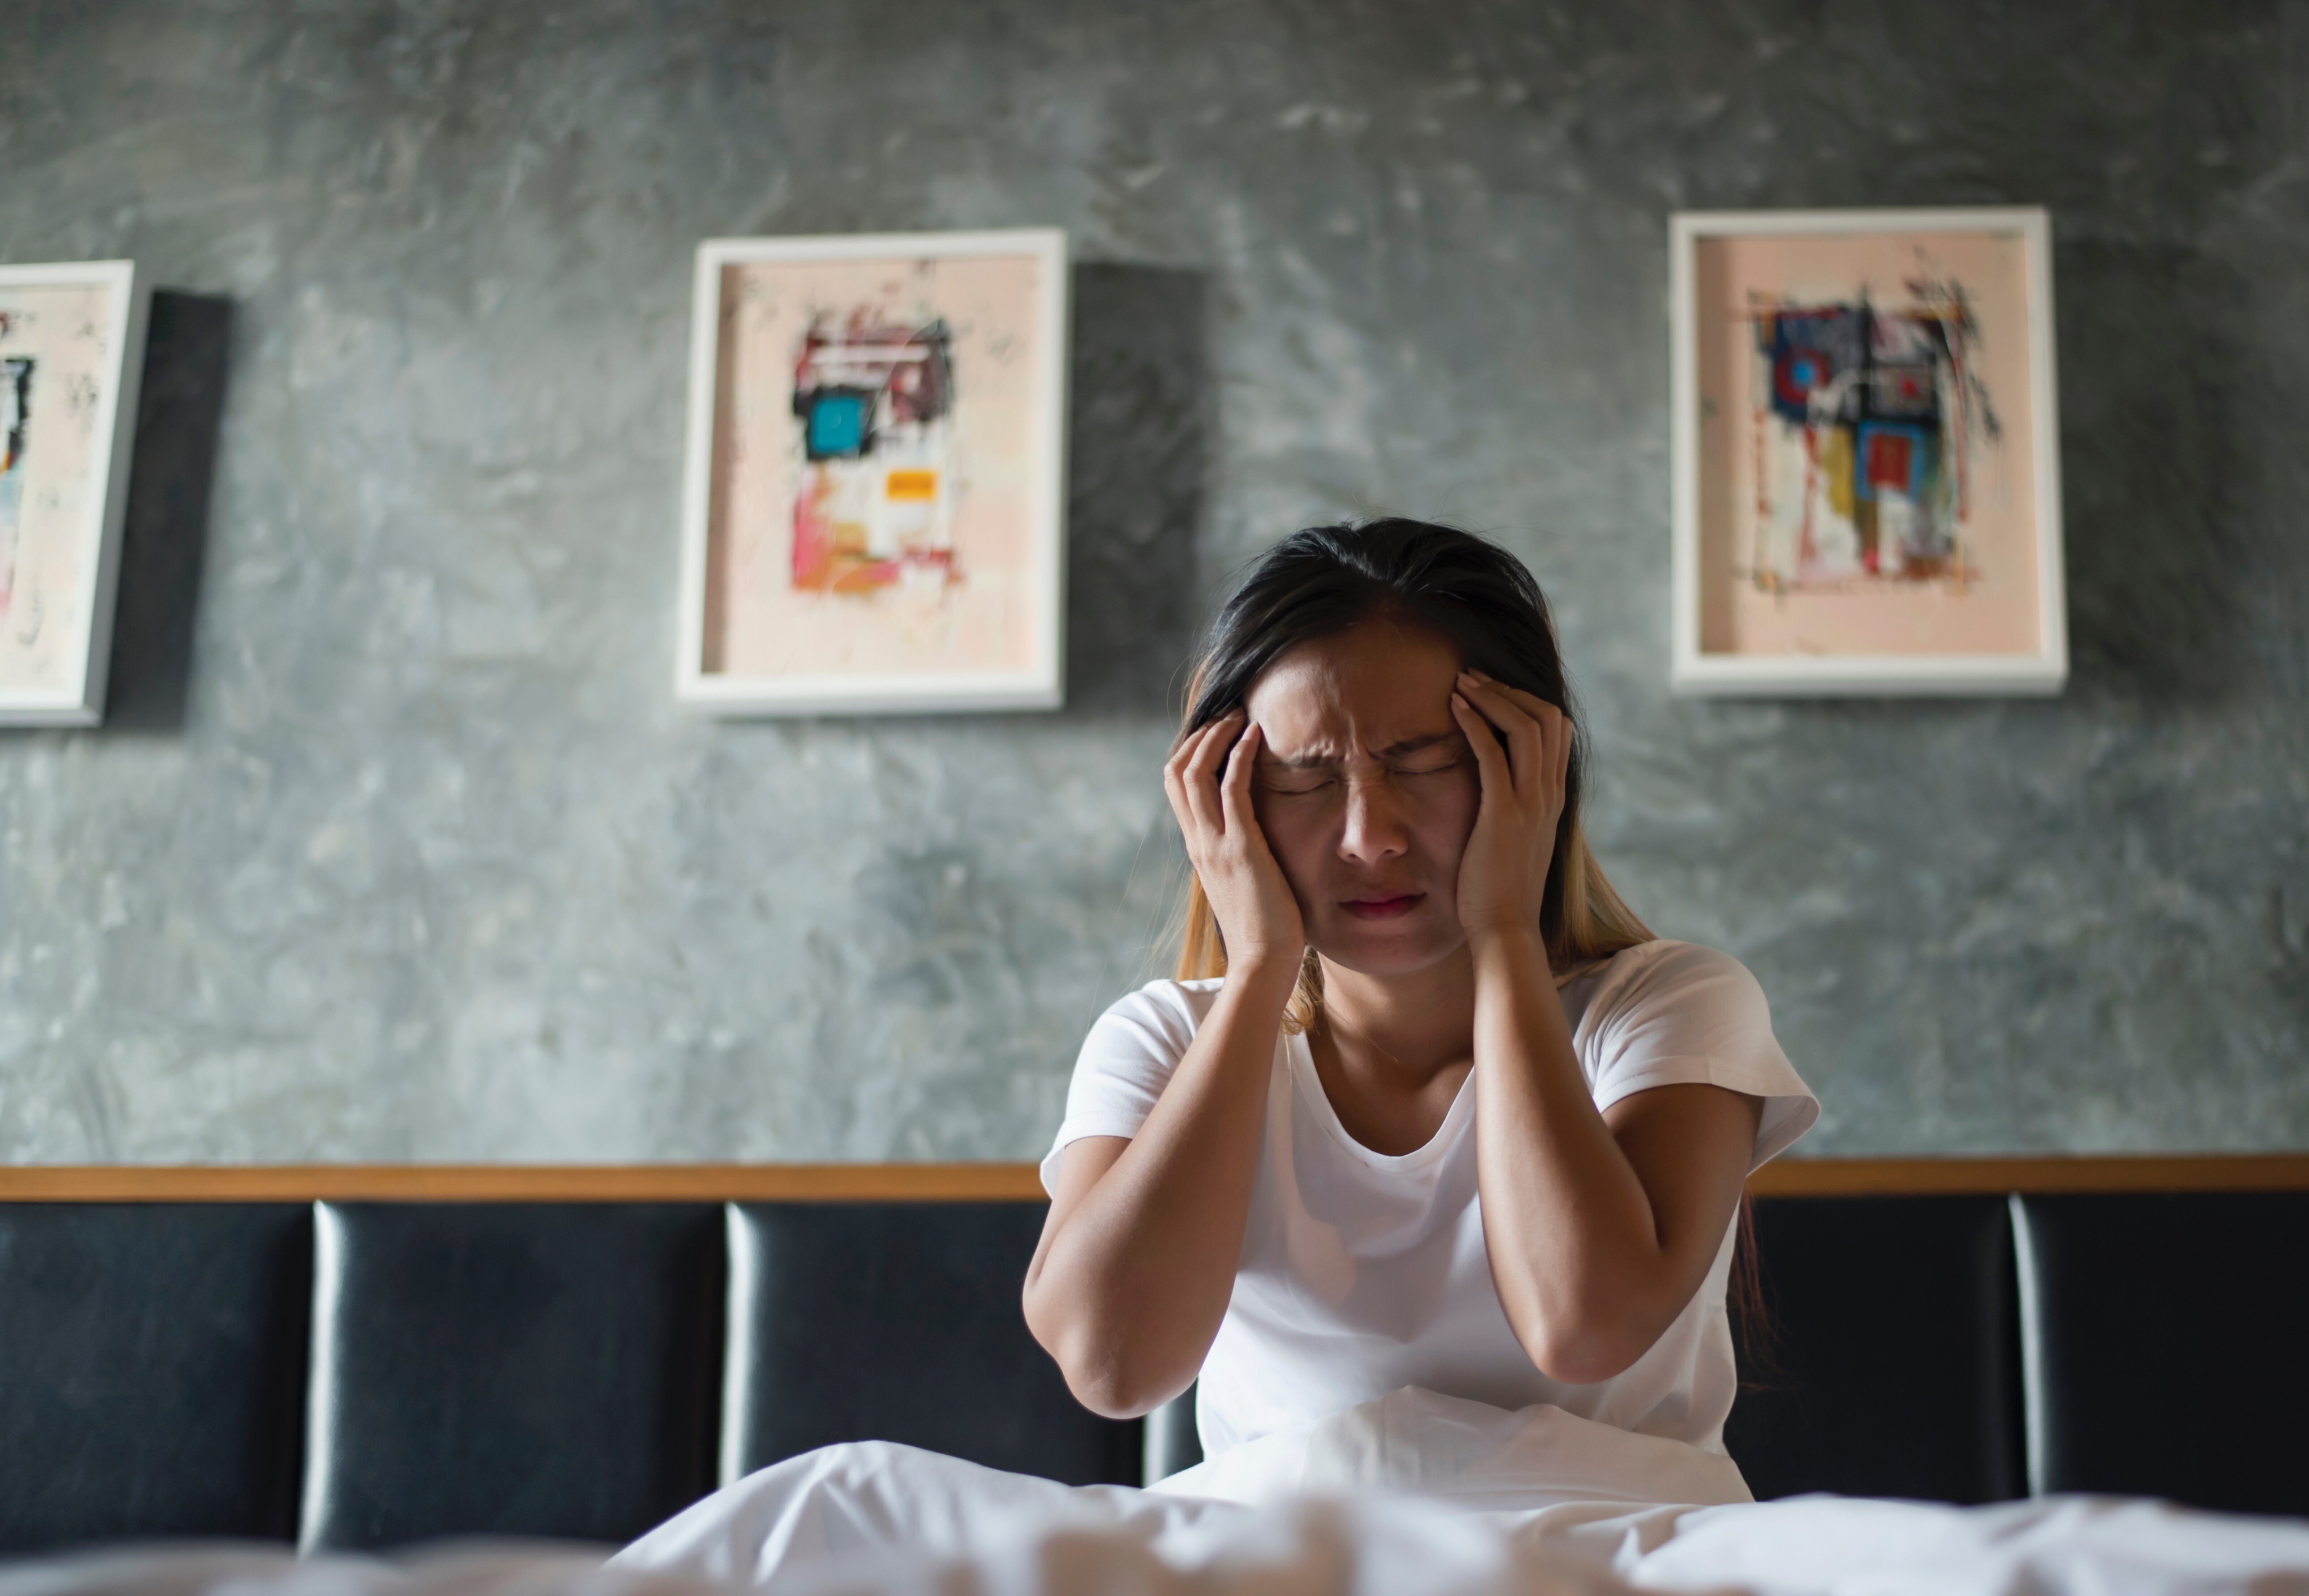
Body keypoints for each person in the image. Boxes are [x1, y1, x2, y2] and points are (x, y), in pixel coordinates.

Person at [613, 519, 1816, 1582]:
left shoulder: (1666, 1008)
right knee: (827, 1509)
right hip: (1274, 1552)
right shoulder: (1166, 1037)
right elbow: (1115, 1365)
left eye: (1425, 764)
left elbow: (1586, 1324)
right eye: (1303, 780)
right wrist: (1254, 974)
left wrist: (1505, 924)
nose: (1368, 836)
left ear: (1533, 772)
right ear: (1225, 800)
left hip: (1606, 1542)